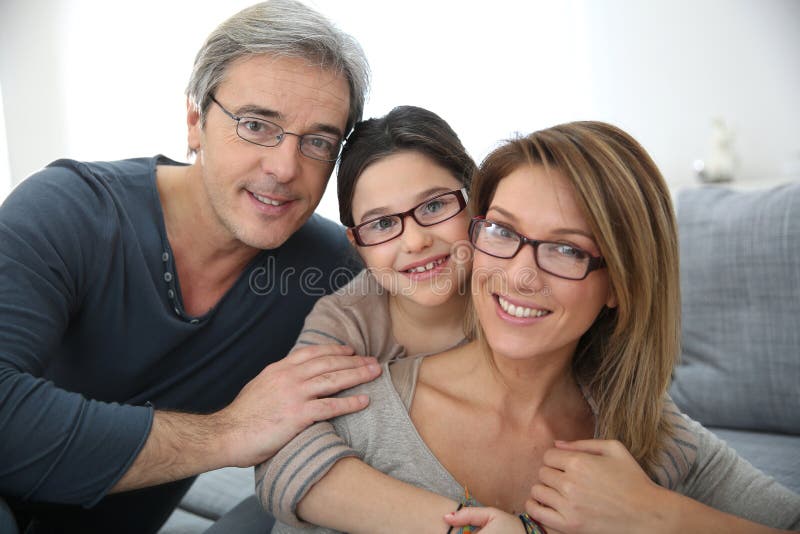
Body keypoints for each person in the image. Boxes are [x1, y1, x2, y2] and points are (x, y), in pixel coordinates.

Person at [264, 121, 800, 533]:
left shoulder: (648, 431)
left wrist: (659, 517)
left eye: (567, 249)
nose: (520, 275)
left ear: (620, 283)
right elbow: (278, 450)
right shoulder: (357, 389)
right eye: (504, 232)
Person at [0, 1, 382, 532]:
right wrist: (228, 432)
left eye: (318, 141)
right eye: (255, 125)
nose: (284, 167)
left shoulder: (327, 267)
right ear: (195, 121)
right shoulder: (67, 210)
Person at [254, 104, 476, 516]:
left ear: (474, 199)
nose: (414, 242)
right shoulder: (345, 318)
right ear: (357, 245)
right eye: (381, 224)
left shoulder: (515, 293)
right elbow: (279, 448)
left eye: (434, 207)